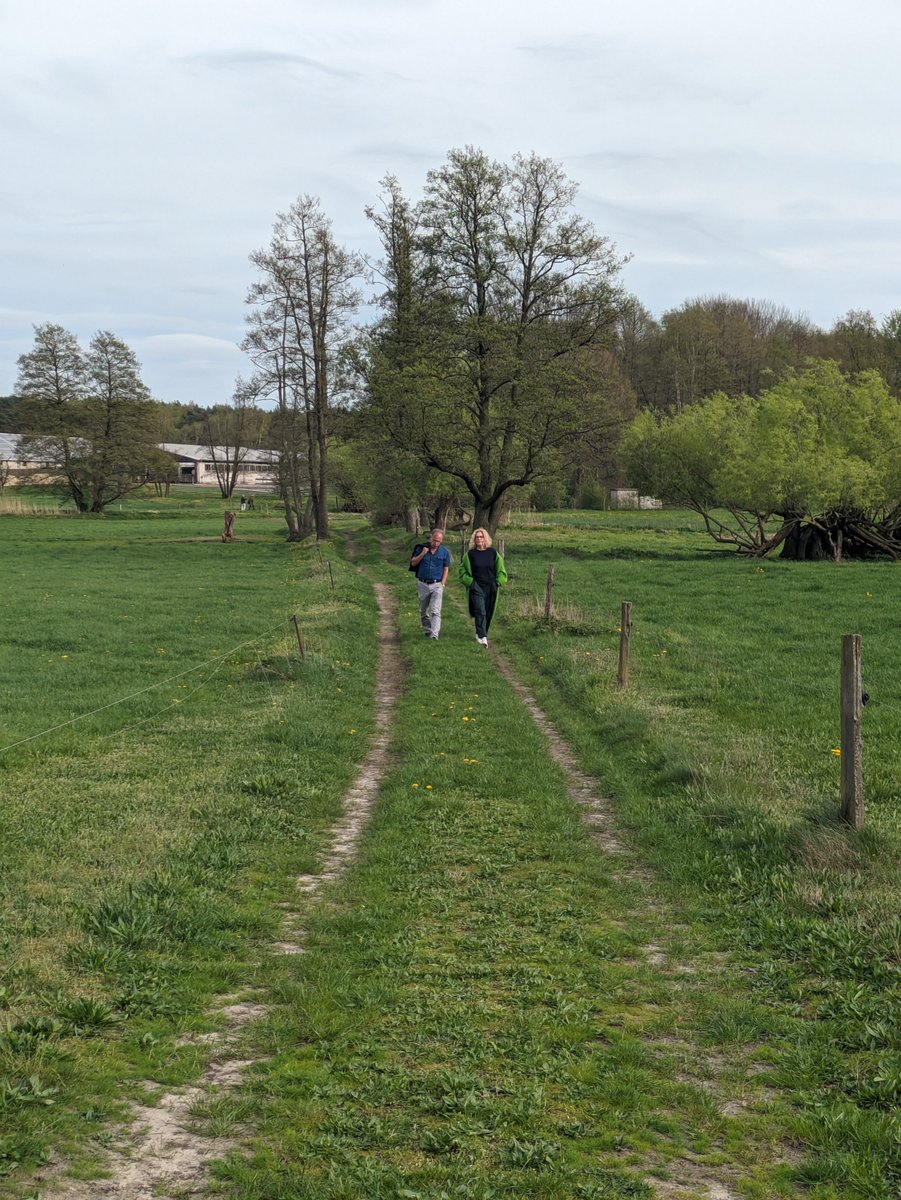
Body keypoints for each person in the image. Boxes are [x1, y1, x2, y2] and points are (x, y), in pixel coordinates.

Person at [459, 527, 508, 646]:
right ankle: (483, 637)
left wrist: (498, 582)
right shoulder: (470, 555)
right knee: (480, 610)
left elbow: (501, 570)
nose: (479, 539)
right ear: (474, 540)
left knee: (488, 611)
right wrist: (471, 583)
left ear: (485, 538)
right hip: (476, 586)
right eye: (477, 537)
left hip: (491, 586)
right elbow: (462, 571)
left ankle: (481, 632)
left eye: (481, 537)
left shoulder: (493, 553)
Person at [410, 528, 451, 639]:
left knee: (436, 610)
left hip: (437, 584)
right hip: (423, 583)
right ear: (430, 538)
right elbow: (413, 563)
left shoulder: (445, 552)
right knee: (423, 611)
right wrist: (422, 554)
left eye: (438, 541)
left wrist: (443, 583)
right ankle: (428, 629)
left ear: (441, 541)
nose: (436, 543)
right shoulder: (421, 548)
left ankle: (434, 634)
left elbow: (446, 568)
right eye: (434, 540)